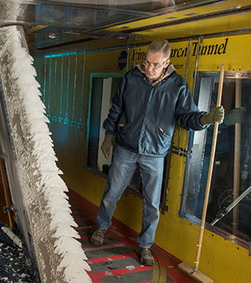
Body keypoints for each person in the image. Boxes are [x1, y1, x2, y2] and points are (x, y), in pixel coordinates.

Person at [90, 39, 224, 266]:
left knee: (152, 203)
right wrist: (108, 136)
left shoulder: (177, 86)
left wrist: (205, 119)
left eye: (155, 64)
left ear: (166, 62)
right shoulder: (132, 78)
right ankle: (102, 227)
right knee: (112, 192)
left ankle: (145, 246)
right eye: (147, 63)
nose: (149, 69)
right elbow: (117, 108)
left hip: (155, 153)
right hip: (126, 148)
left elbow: (186, 117)